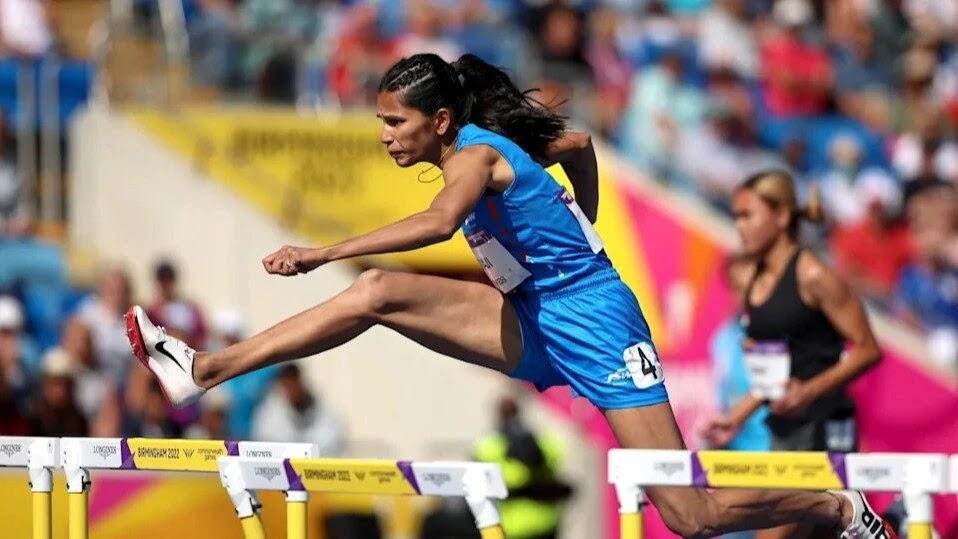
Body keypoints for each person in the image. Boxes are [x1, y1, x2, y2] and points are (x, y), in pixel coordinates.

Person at [126, 53, 893, 538]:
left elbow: (438, 221)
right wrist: (582, 212)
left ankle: (831, 506)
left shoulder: (478, 157)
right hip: (535, 317)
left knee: (688, 515)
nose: (385, 136)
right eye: (380, 122)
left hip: (594, 319)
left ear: (439, 120)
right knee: (376, 293)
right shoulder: (496, 145)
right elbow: (580, 143)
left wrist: (318, 249)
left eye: (395, 123)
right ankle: (204, 369)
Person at [703, 170, 883, 539]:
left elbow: (868, 349)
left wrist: (808, 391)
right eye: (735, 216)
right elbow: (774, 374)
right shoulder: (754, 281)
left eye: (747, 215)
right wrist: (735, 417)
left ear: (782, 217)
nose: (738, 226)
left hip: (822, 430)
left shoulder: (815, 275)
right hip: (784, 432)